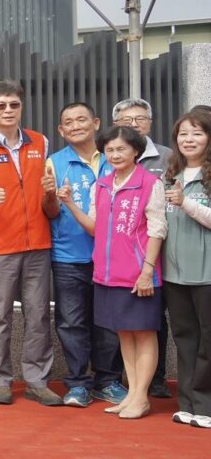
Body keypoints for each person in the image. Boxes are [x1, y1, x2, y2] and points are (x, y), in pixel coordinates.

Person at [58, 125, 166, 420]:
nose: (115, 155)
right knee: (124, 335)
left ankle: (141, 396)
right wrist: (69, 204)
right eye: (110, 150)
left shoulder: (150, 184)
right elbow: (95, 227)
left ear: (135, 151)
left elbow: (157, 230)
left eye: (121, 149)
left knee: (144, 334)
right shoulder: (102, 185)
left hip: (139, 274)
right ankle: (131, 395)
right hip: (107, 273)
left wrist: (147, 271)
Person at [0, 80, 61, 406]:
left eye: (14, 105)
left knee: (38, 315)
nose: (8, 110)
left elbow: (48, 184)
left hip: (38, 243)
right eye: (1, 105)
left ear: (21, 107)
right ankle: (0, 381)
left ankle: (37, 381)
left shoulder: (40, 142)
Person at [42, 103, 126, 408]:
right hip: (69, 256)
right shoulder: (54, 162)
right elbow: (50, 212)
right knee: (71, 322)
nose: (75, 125)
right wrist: (50, 195)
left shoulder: (114, 157)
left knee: (109, 322)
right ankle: (78, 384)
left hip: (112, 256)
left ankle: (108, 381)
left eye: (81, 119)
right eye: (68, 122)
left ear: (96, 123)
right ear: (61, 130)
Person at [112, 97, 173, 398]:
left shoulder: (168, 157)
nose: (134, 125)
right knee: (123, 321)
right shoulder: (111, 157)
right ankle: (123, 382)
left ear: (150, 122)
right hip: (121, 256)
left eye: (140, 119)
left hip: (162, 250)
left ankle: (155, 382)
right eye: (126, 120)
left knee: (153, 319)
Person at [163, 110, 211, 429]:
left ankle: (206, 404)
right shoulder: (171, 174)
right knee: (184, 338)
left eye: (197, 133)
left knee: (208, 339)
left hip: (206, 274)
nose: (189, 140)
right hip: (174, 273)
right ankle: (188, 404)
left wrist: (186, 203)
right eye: (183, 134)